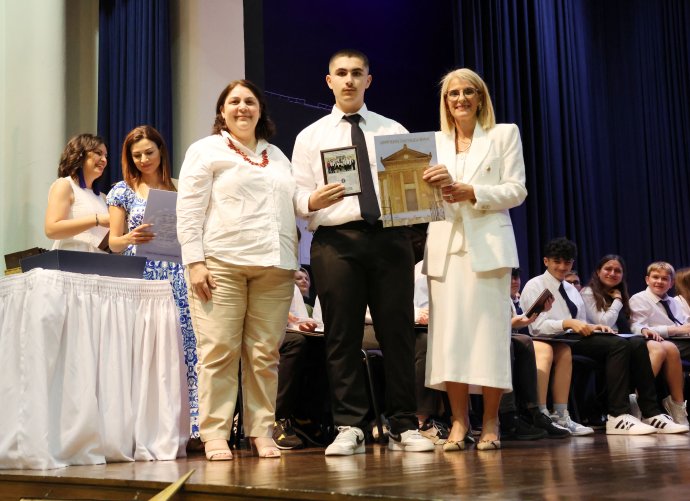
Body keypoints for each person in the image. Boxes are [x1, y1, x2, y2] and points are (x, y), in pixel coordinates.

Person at [291, 49, 433, 455]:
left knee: (398, 333)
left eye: (357, 73)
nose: (349, 80)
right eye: (341, 73)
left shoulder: (393, 129)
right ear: (329, 81)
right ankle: (350, 425)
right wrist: (311, 201)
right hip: (336, 241)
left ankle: (403, 424)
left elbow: (412, 192)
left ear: (368, 80)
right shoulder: (311, 136)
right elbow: (296, 194)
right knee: (341, 336)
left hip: (390, 238)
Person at [177, 80, 298, 460]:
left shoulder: (277, 155)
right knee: (219, 351)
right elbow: (188, 209)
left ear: (260, 110)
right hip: (221, 264)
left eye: (249, 101)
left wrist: (318, 201)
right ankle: (214, 434)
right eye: (234, 101)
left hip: (275, 267)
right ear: (222, 111)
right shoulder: (205, 150)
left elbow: (295, 202)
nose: (242, 107)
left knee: (265, 355)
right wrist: (195, 262)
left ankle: (261, 431)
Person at [421, 68, 527, 451]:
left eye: (468, 91)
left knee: (488, 338)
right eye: (453, 93)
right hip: (445, 249)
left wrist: (473, 192)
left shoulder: (504, 134)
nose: (460, 99)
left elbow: (517, 190)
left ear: (480, 98)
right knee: (449, 339)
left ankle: (491, 421)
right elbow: (417, 199)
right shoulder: (432, 142)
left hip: (488, 248)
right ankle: (458, 422)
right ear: (445, 101)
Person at [521, 238, 686, 435]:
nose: (563, 267)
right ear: (546, 261)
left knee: (636, 342)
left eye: (567, 262)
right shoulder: (535, 285)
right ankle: (617, 415)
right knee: (619, 345)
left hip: (573, 336)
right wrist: (566, 323)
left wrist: (594, 327)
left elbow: (581, 322)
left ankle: (650, 412)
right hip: (552, 339)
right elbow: (536, 326)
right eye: (557, 262)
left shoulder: (571, 289)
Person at [105, 125, 200, 441]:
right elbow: (114, 243)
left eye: (149, 152)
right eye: (137, 155)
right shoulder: (122, 191)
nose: (144, 159)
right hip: (142, 274)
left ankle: (190, 428)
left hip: (178, 276)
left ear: (161, 151)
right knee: (147, 348)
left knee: (184, 347)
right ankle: (146, 427)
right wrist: (130, 237)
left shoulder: (179, 189)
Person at [582, 256, 686, 426]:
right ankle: (639, 400)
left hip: (627, 340)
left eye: (618, 271)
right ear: (598, 271)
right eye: (608, 269)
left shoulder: (670, 302)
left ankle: (677, 405)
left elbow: (629, 325)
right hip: (602, 341)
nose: (612, 273)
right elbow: (605, 322)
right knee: (659, 348)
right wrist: (618, 301)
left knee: (670, 348)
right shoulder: (590, 292)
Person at [505, 269, 571, 439]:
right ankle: (531, 412)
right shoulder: (501, 295)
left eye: (516, 277)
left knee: (563, 349)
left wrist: (539, 311)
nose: (514, 281)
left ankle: (550, 412)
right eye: (510, 277)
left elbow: (517, 323)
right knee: (529, 344)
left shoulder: (510, 299)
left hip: (514, 337)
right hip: (502, 339)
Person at [629, 262, 690, 426]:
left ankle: (676, 405)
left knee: (673, 347)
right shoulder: (639, 299)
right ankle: (675, 405)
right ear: (647, 279)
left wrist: (684, 330)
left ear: (671, 283)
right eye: (655, 277)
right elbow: (636, 327)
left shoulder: (674, 302)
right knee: (669, 348)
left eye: (665, 279)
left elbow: (684, 325)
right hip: (652, 342)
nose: (659, 281)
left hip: (678, 342)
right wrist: (674, 330)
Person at [45, 133, 110, 251]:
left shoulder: (103, 197)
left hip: (98, 261)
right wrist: (97, 220)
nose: (104, 160)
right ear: (80, 155)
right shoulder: (65, 185)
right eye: (98, 153)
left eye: (106, 155)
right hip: (69, 259)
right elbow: (51, 230)